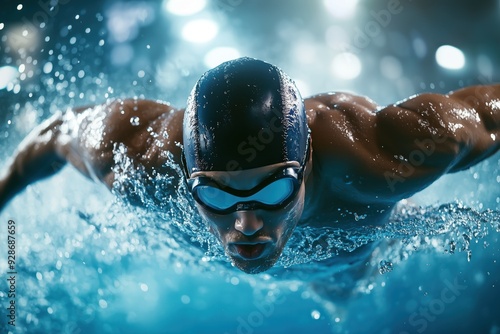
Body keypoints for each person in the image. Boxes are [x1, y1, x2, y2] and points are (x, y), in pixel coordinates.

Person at [0, 57, 499, 274]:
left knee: (345, 293)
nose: (246, 224)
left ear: (306, 162)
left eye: (273, 188)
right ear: (188, 179)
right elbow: (57, 132)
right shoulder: (146, 166)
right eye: (216, 196)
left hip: (345, 256)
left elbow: (484, 114)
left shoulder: (380, 158)